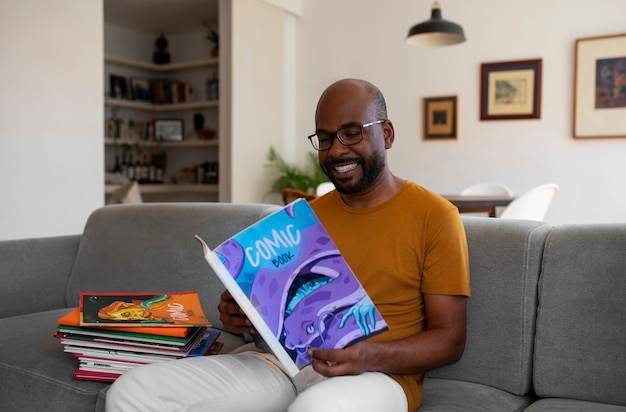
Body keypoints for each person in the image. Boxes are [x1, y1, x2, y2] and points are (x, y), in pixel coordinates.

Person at [106, 78, 470, 412]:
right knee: (133, 390)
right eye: (324, 138)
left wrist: (366, 357)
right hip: (279, 364)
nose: (336, 150)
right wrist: (241, 317)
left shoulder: (435, 216)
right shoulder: (302, 218)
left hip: (376, 375)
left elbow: (449, 340)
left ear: (387, 134)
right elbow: (278, 309)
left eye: (351, 133)